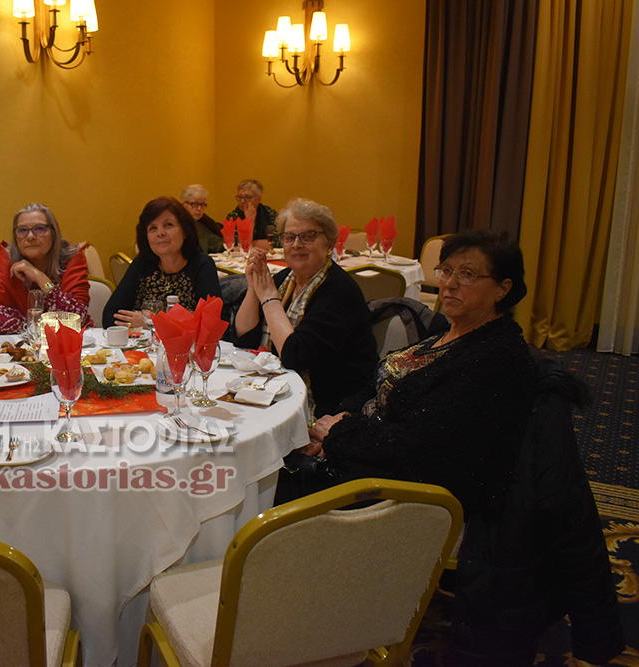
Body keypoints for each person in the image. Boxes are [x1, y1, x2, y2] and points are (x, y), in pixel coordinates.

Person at [304, 229, 623, 665]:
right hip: (368, 448)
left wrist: (336, 436)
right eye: (447, 270)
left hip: (402, 494)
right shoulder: (449, 334)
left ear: (503, 289)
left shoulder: (494, 360)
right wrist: (335, 418)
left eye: (468, 274)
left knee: (273, 491)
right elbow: (376, 386)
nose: (450, 284)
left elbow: (418, 449)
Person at [233, 198, 377, 419]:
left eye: (308, 236)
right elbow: (244, 338)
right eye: (289, 237)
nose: (296, 244)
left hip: (330, 407)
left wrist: (269, 298)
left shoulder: (339, 291)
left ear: (329, 244)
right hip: (273, 391)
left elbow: (296, 356)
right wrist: (254, 287)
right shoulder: (284, 280)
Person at [104, 197, 222, 328]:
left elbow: (211, 323)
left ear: (185, 231)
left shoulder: (202, 264)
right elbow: (110, 316)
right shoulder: (143, 263)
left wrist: (154, 322)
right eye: (153, 228)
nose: (160, 233)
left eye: (168, 225)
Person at [0, 203, 91, 334]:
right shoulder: (8, 260)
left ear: (54, 234)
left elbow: (77, 318)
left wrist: (40, 278)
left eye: (39, 229)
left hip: (71, 344)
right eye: (22, 230)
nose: (30, 236)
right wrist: (36, 327)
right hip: (24, 343)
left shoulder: (72, 258)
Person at [225, 179, 277, 250]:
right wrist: (249, 221)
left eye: (248, 197)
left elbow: (279, 242)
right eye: (240, 197)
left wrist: (252, 243)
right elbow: (238, 246)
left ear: (258, 199)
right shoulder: (232, 217)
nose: (242, 201)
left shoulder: (269, 213)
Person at [180, 184, 223, 254]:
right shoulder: (176, 226)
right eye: (194, 204)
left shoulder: (203, 224)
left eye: (202, 204)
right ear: (183, 205)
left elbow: (217, 245)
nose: (199, 209)